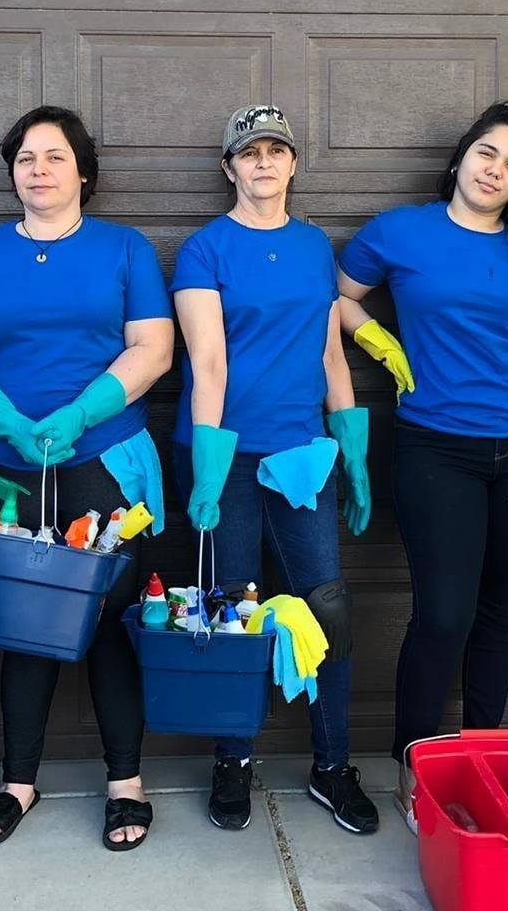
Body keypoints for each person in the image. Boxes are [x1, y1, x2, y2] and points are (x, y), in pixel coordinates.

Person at [337, 102, 508, 828]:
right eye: (487, 153)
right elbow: (337, 294)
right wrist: (376, 339)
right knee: (443, 615)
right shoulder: (401, 232)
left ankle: (484, 757)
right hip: (436, 447)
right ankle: (416, 770)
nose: (496, 171)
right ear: (460, 158)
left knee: (499, 612)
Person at [0, 105, 173, 851]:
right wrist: (7, 420)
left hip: (106, 462)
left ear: (84, 173)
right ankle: (18, 783)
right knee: (23, 621)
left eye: (55, 156)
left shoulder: (124, 249)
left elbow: (154, 348)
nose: (39, 169)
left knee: (112, 619)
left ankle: (126, 783)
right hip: (11, 470)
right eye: (26, 158)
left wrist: (80, 413)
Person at [171, 104, 378, 836]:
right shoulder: (204, 250)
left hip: (302, 457)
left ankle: (333, 766)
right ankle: (233, 760)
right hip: (225, 457)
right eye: (249, 152)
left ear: (293, 163)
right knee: (233, 611)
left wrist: (352, 449)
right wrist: (207, 467)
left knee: (326, 611)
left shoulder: (315, 246)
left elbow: (330, 354)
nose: (263, 162)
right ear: (229, 167)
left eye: (276, 151)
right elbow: (208, 361)